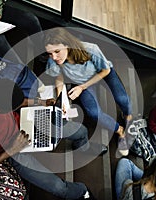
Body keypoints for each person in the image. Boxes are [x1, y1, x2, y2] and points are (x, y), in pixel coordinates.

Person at [0, 78, 97, 200]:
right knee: (58, 187)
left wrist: (40, 102)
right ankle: (82, 192)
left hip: (25, 122)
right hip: (12, 150)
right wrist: (11, 150)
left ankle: (84, 147)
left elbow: (18, 103)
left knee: (80, 131)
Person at [44, 27, 133, 156]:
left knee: (122, 99)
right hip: (82, 83)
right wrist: (61, 99)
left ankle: (128, 115)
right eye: (49, 53)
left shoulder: (91, 49)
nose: (54, 57)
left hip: (101, 74)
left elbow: (106, 70)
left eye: (57, 51)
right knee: (93, 113)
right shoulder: (53, 60)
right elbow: (59, 78)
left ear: (67, 44)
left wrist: (82, 87)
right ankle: (120, 130)